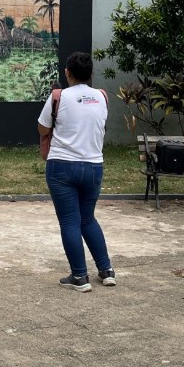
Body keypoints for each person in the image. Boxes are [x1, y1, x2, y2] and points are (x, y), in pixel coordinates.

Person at [37, 51, 116, 292]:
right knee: (87, 218)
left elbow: (42, 129)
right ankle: (106, 271)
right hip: (94, 166)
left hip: (62, 166)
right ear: (91, 73)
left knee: (69, 221)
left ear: (67, 72)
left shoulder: (58, 96)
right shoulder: (102, 97)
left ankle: (80, 276)